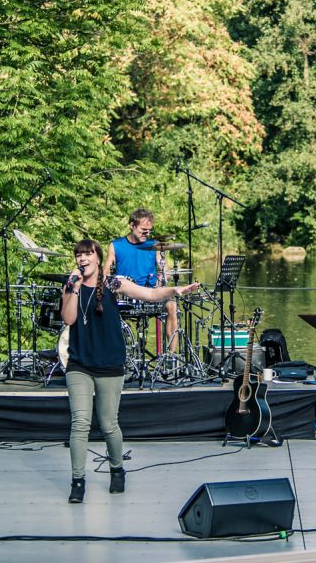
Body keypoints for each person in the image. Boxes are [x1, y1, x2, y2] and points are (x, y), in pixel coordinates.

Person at [61, 239, 198, 504]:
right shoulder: (70, 286)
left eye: (88, 254)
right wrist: (73, 288)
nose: (83, 259)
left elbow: (149, 295)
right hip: (79, 364)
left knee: (109, 424)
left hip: (110, 364)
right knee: (80, 423)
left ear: (98, 258)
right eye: (79, 255)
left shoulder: (114, 284)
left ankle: (117, 470)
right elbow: (68, 319)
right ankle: (78, 481)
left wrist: (175, 290)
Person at [104, 208, 181, 349]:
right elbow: (106, 274)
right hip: (126, 295)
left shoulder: (154, 246)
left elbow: (165, 271)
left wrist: (162, 278)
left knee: (172, 305)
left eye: (149, 230)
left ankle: (172, 355)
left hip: (151, 293)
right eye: (143, 230)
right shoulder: (116, 245)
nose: (147, 233)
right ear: (132, 225)